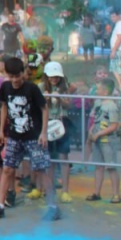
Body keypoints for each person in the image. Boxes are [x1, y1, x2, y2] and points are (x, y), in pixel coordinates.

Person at [0, 57, 60, 221]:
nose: (14, 80)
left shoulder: (32, 88)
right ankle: (0, 205)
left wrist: (43, 132)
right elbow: (4, 106)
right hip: (14, 136)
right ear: (7, 74)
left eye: (17, 76)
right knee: (7, 168)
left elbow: (44, 109)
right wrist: (2, 131)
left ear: (23, 73)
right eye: (11, 76)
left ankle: (52, 206)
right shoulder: (5, 87)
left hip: (33, 136)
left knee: (42, 168)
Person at [84, 77, 121, 204]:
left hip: (108, 141)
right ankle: (96, 192)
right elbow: (97, 119)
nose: (96, 91)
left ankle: (116, 194)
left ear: (105, 91)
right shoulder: (98, 103)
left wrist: (99, 133)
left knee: (111, 167)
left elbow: (114, 125)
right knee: (98, 166)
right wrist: (91, 130)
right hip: (97, 139)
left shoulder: (111, 106)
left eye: (98, 89)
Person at [42, 61, 73, 203]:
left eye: (57, 76)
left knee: (63, 157)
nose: (54, 79)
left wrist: (59, 97)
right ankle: (49, 189)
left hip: (62, 122)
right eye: (52, 76)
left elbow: (69, 104)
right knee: (49, 158)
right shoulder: (41, 87)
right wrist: (45, 98)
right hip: (47, 123)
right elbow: (37, 105)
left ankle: (66, 190)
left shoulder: (64, 87)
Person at [109, 10, 121, 83]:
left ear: (118, 16)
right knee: (118, 69)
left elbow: (120, 38)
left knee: (115, 69)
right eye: (111, 17)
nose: (112, 18)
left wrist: (114, 50)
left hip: (118, 50)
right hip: (117, 50)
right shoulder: (119, 24)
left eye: (113, 16)